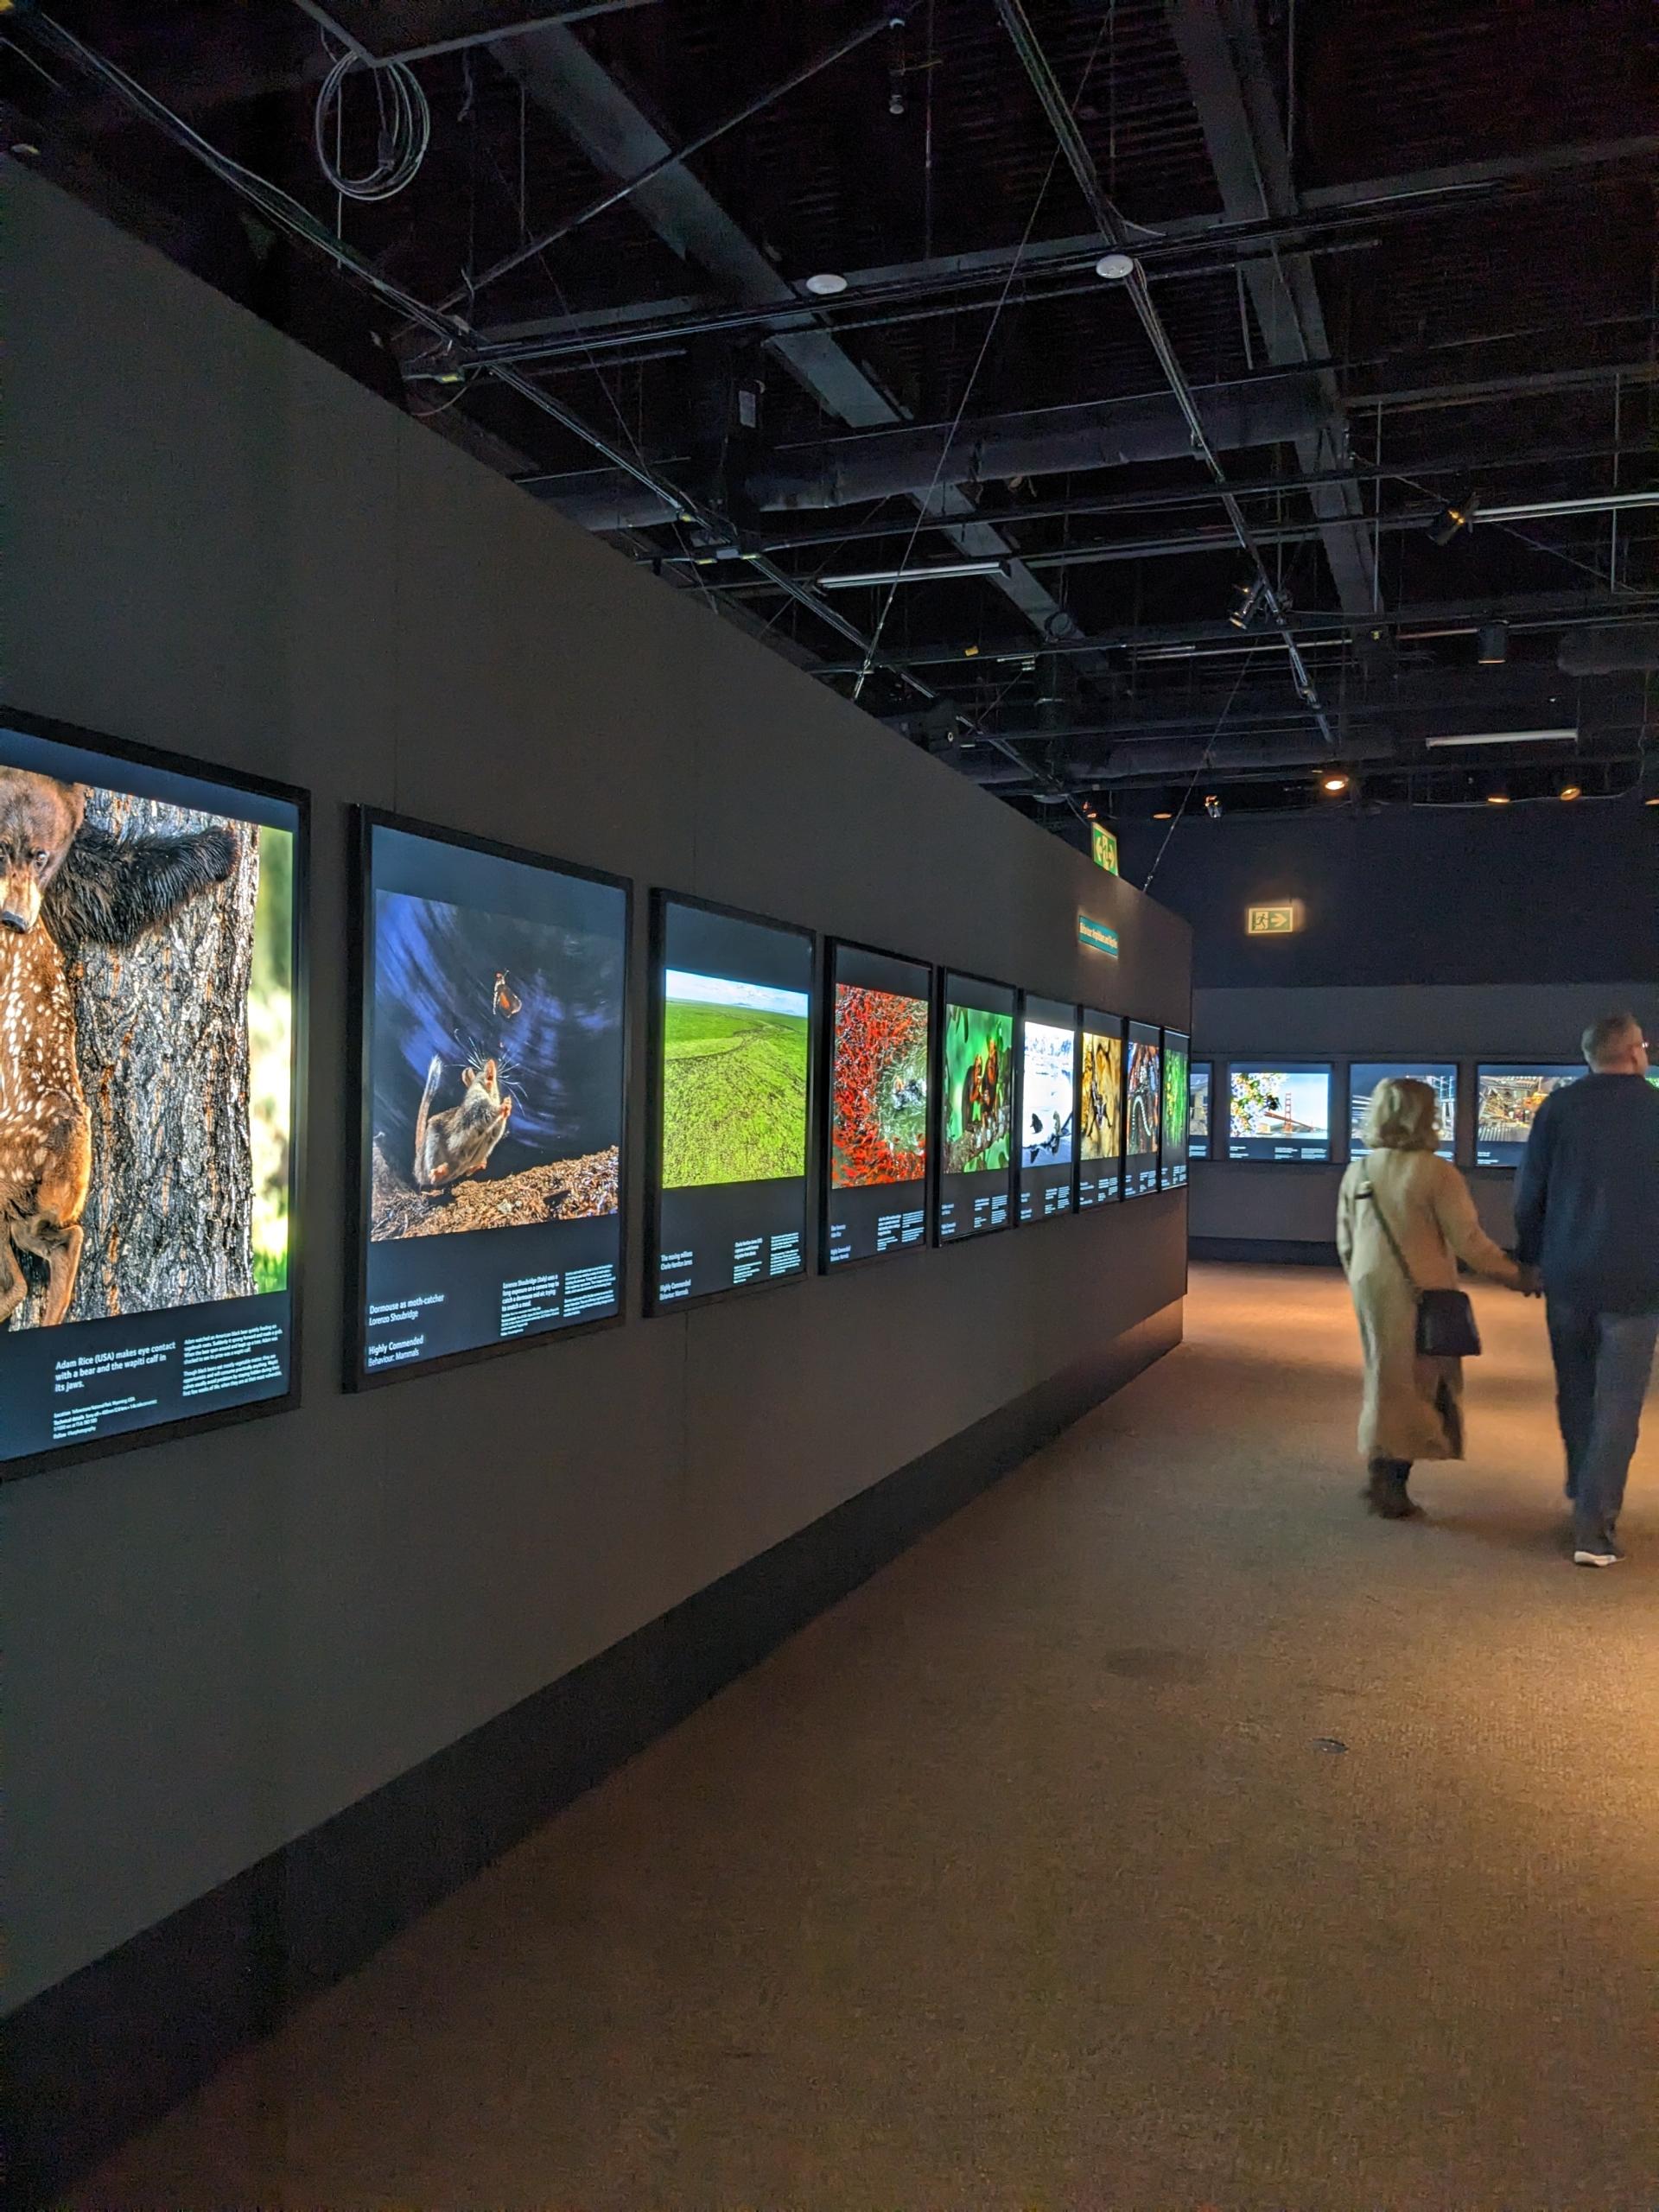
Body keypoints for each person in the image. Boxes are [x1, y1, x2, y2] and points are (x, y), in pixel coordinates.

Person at [1338, 1077, 1529, 1519]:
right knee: (1419, 1382)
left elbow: (1346, 1241)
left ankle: (1380, 1471)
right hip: (1423, 1294)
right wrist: (1516, 1275)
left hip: (1372, 1288)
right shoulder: (1438, 1173)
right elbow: (1470, 1243)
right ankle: (1391, 1485)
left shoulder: (1359, 1171)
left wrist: (1363, 1284)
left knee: (1385, 1375)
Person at [1514, 1013, 1659, 1567]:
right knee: (1619, 1404)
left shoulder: (1558, 1109)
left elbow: (1530, 1194)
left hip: (1569, 1275)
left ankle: (1583, 1490)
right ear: (1632, 1052)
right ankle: (1594, 1529)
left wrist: (1529, 1259)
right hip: (1639, 1282)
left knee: (1575, 1392)